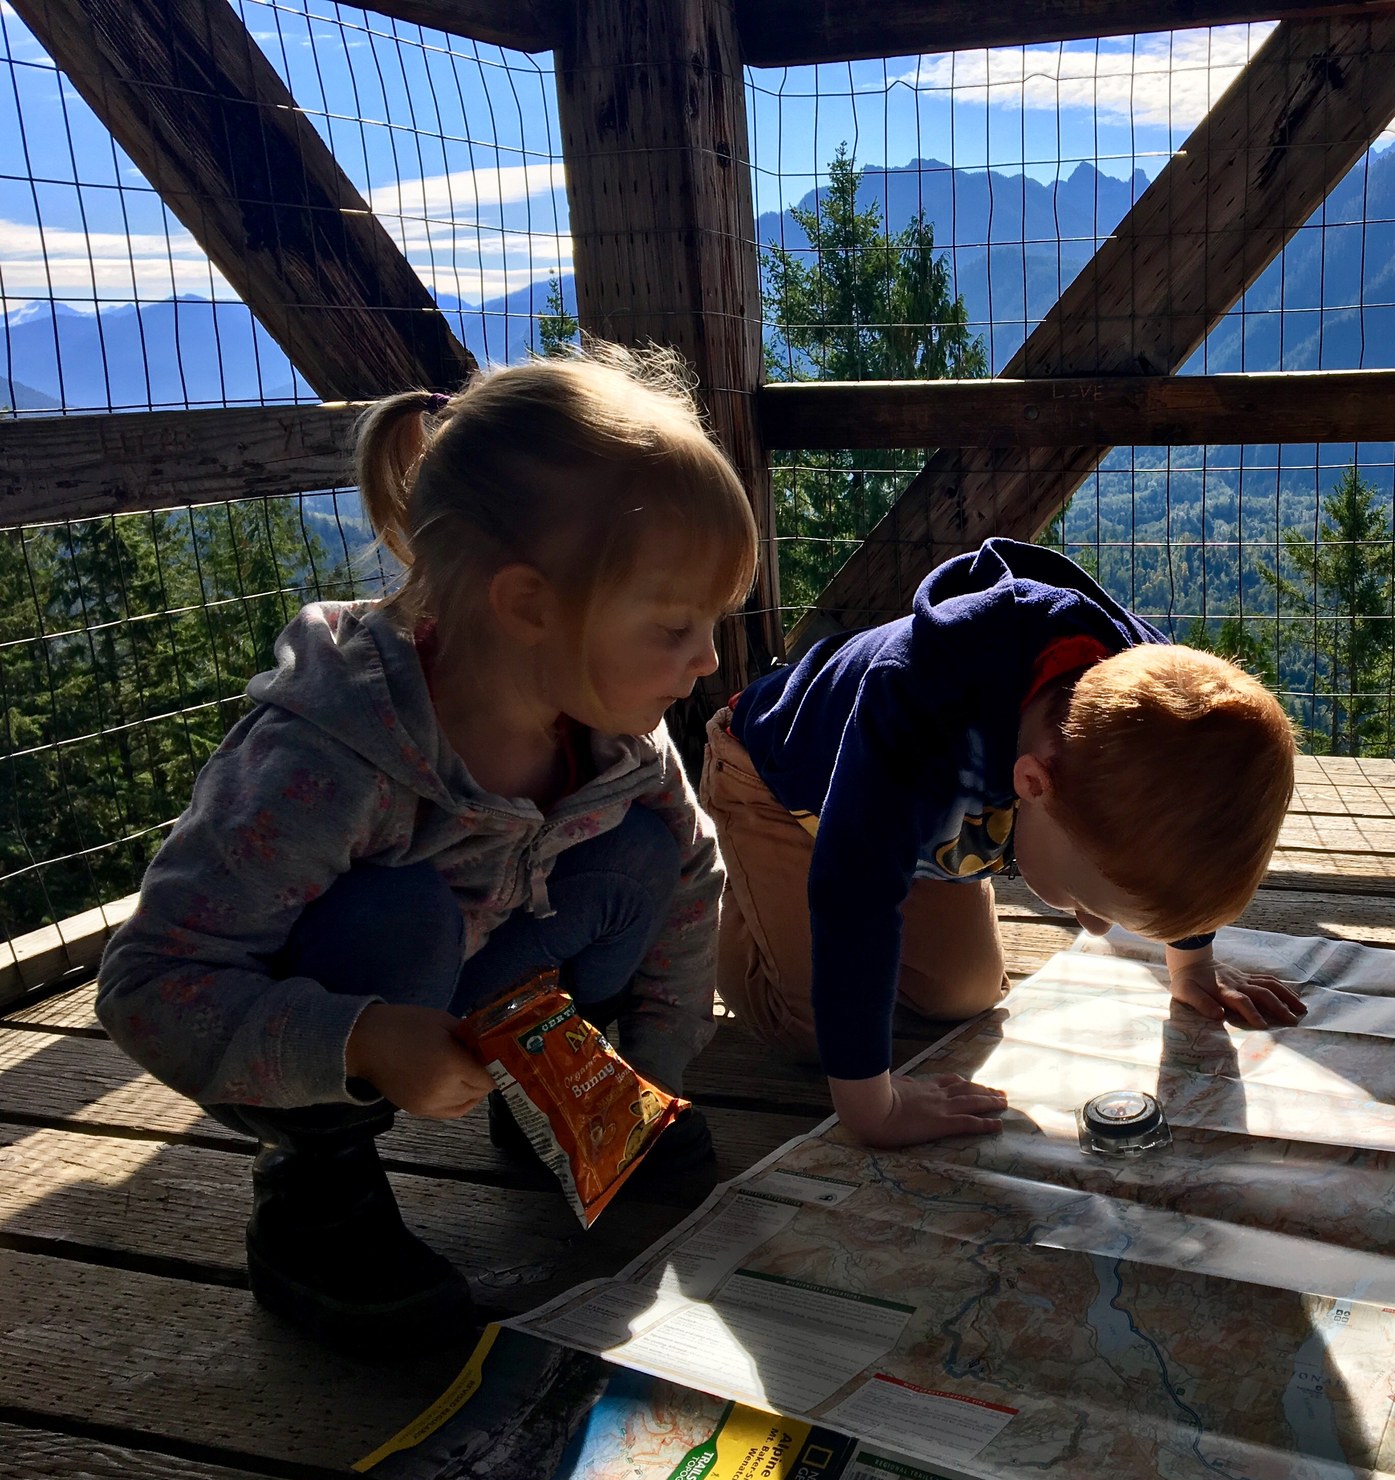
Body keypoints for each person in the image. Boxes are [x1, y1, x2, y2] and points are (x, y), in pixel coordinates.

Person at [95, 344, 756, 1352]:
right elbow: (147, 985)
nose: (707, 658)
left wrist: (648, 1076)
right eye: (674, 626)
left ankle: (554, 1098)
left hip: (486, 978)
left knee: (642, 856)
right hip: (328, 1020)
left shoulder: (612, 731)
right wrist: (359, 1039)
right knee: (396, 916)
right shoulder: (328, 757)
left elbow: (690, 881)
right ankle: (318, 1203)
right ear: (528, 605)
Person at [705, 538, 1303, 1150]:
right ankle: (712, 907)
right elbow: (852, 894)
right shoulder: (916, 698)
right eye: (1083, 901)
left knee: (962, 995)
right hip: (779, 783)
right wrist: (873, 1107)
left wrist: (1193, 963)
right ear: (1033, 784)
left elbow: (1186, 823)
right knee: (810, 1028)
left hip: (912, 830)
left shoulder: (1142, 709)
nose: (1094, 927)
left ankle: (852, 890)